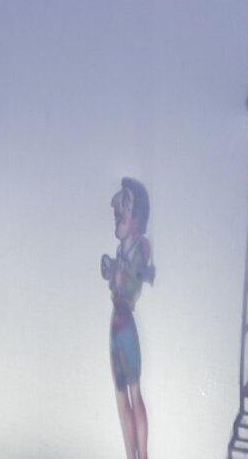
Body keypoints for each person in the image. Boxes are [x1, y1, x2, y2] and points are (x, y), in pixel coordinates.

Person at [101, 178, 155, 459]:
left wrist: (121, 275)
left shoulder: (140, 248)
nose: (117, 209)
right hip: (116, 325)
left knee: (133, 390)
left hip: (126, 326)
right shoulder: (121, 251)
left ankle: (141, 455)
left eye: (125, 204)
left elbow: (136, 280)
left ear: (137, 216)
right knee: (120, 392)